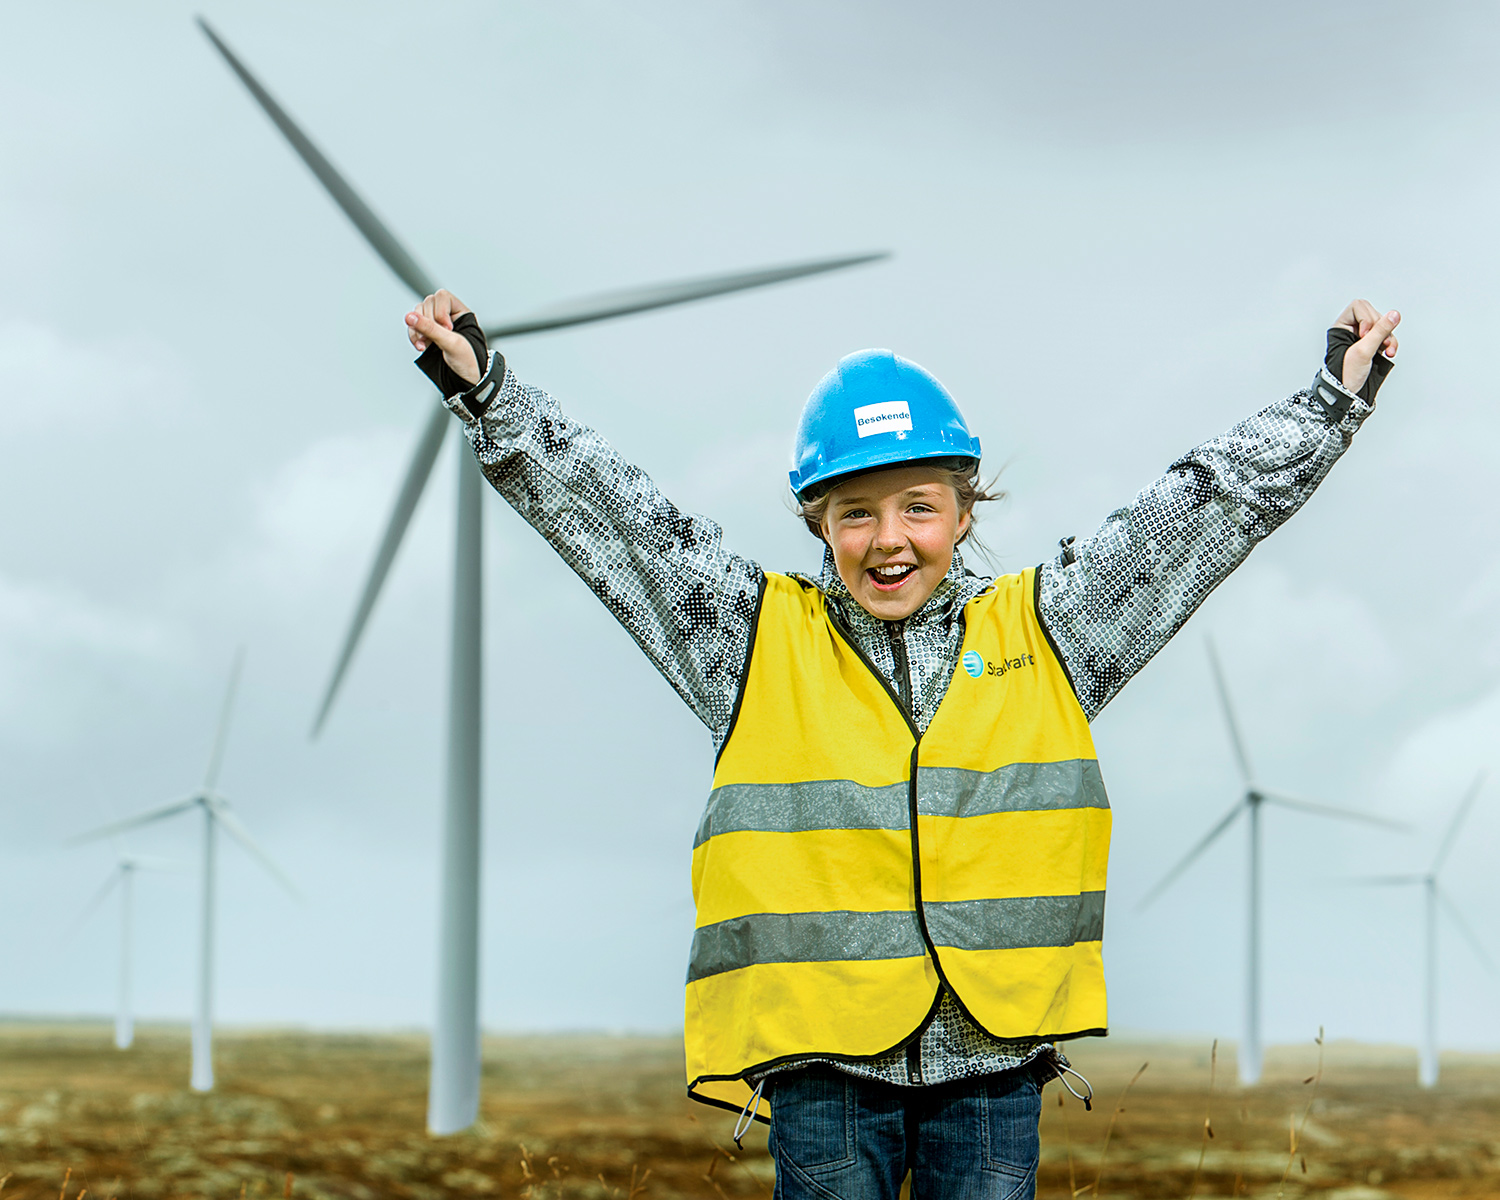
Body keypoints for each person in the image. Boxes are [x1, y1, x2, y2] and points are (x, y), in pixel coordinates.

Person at [404, 293, 1399, 1200]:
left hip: (994, 1062)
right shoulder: (748, 639)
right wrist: (493, 402)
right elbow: (614, 520)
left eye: (918, 506)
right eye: (855, 513)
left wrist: (1327, 408)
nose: (890, 539)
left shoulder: (1053, 628)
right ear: (818, 523)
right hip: (825, 1072)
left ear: (964, 513)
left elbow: (1201, 511)